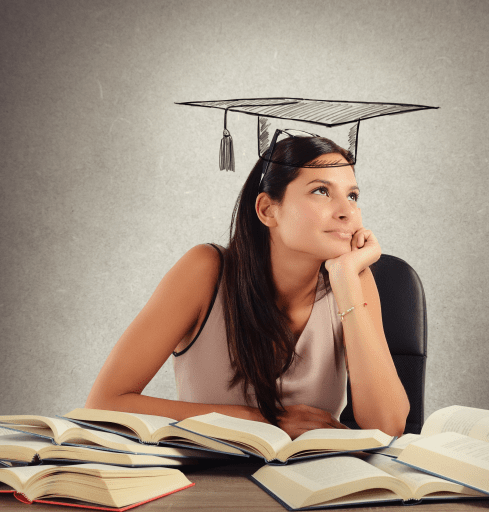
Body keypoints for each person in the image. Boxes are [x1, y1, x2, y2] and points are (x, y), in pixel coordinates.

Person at [85, 135, 410, 439]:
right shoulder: (205, 270)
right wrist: (266, 421)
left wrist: (347, 277)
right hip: (212, 485)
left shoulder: (351, 281)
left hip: (310, 485)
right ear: (268, 210)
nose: (346, 211)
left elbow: (388, 425)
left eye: (352, 195)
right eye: (321, 191)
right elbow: (103, 404)